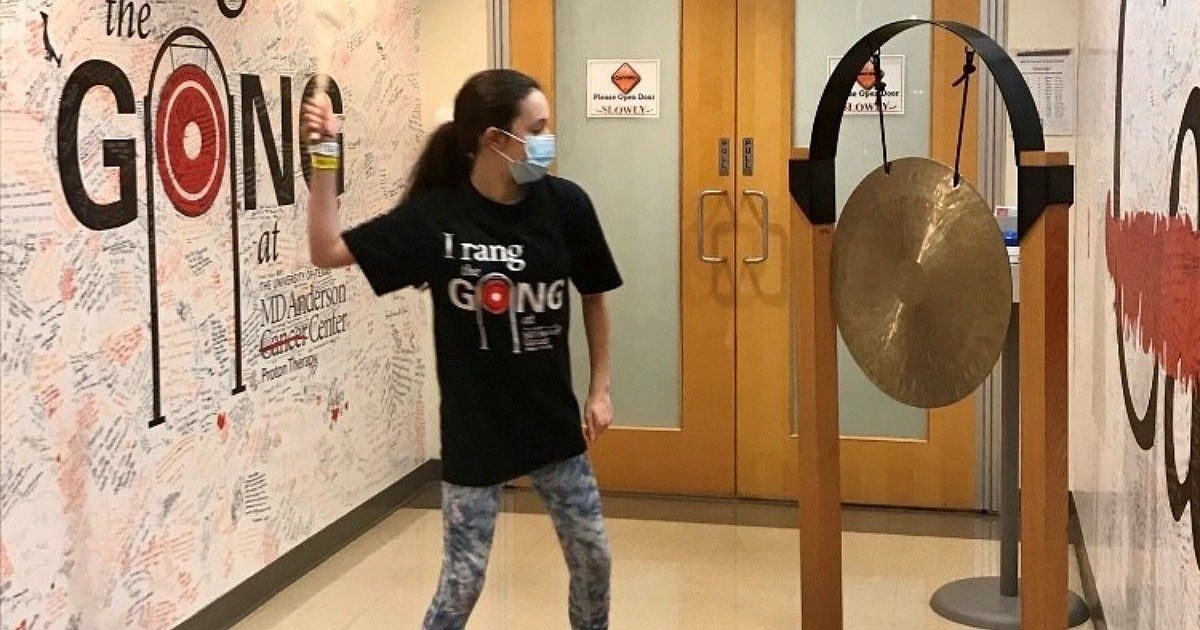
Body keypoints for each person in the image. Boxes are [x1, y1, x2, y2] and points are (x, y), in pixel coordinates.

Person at [301, 69, 620, 630]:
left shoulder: (566, 205)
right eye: (536, 128)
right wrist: (326, 151)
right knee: (461, 583)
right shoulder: (436, 219)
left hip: (552, 426)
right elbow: (326, 249)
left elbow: (594, 296)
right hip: (476, 431)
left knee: (594, 558)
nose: (547, 140)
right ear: (495, 139)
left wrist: (600, 389)